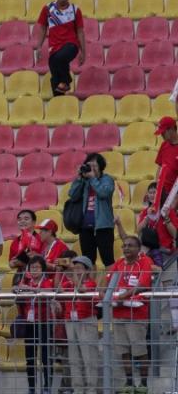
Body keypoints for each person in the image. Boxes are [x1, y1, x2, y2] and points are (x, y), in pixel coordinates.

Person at [106, 235, 154, 392]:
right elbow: (108, 282)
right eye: (124, 245)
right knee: (123, 351)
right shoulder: (119, 263)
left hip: (137, 314)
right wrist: (108, 295)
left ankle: (144, 385)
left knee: (139, 351)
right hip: (119, 312)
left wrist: (124, 295)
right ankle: (129, 383)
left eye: (130, 245)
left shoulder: (145, 262)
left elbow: (143, 285)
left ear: (138, 249)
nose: (126, 248)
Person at [33, 0, 86, 96]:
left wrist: (83, 51)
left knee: (59, 59)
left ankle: (66, 81)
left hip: (71, 45)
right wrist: (38, 47)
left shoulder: (75, 10)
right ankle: (58, 98)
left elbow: (80, 32)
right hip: (54, 48)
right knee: (54, 72)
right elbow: (42, 28)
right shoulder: (48, 9)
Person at [59, 255, 100, 394]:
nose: (76, 271)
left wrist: (74, 276)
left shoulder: (91, 283)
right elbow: (58, 289)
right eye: (74, 267)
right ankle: (78, 389)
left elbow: (82, 291)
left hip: (87, 321)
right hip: (70, 321)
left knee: (89, 357)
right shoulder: (69, 283)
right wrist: (60, 270)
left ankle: (91, 390)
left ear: (87, 271)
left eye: (79, 268)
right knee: (74, 358)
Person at [68, 152, 117, 267]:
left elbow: (104, 193)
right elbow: (73, 195)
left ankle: (111, 284)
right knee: (88, 262)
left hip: (103, 226)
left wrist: (93, 179)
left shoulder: (107, 179)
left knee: (108, 259)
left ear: (101, 166)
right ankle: (90, 284)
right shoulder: (84, 181)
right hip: (85, 227)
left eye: (94, 165)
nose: (91, 168)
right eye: (89, 165)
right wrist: (79, 179)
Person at [14, 255, 54, 394]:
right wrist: (19, 289)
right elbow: (16, 292)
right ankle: (31, 388)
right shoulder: (26, 282)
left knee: (45, 357)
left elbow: (48, 292)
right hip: (29, 323)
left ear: (43, 269)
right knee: (30, 358)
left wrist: (30, 290)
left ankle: (47, 387)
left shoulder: (47, 282)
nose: (35, 270)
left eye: (37, 267)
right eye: (32, 268)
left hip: (44, 323)